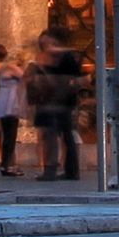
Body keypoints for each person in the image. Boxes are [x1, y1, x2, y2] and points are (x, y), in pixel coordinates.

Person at [28, 41, 84, 180]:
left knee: (51, 136)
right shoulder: (68, 59)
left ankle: (51, 170)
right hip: (63, 102)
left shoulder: (55, 61)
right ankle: (71, 171)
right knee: (66, 136)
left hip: (52, 102)